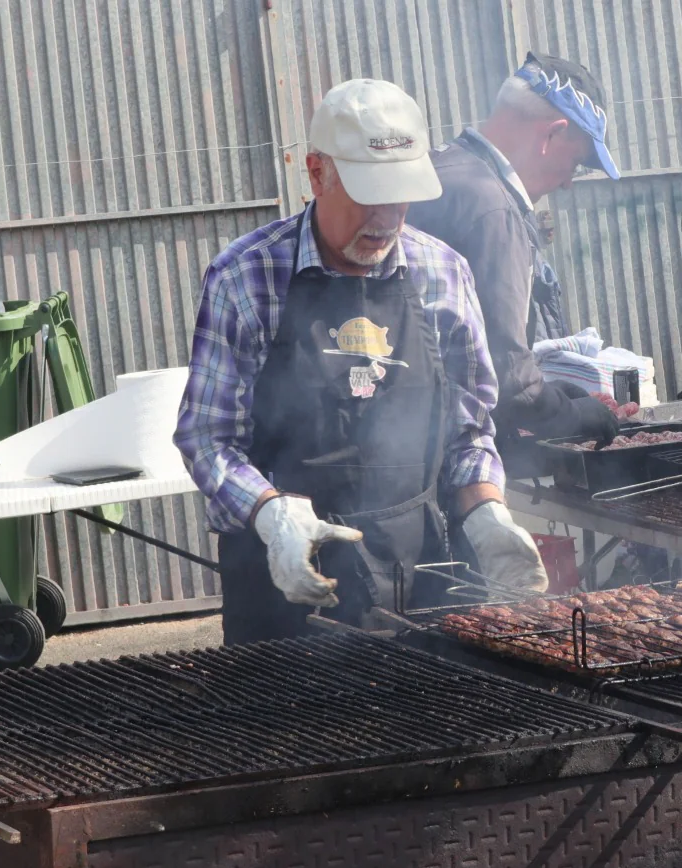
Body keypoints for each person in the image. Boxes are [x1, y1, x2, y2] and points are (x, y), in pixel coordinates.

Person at [175, 79, 547, 645]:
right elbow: (208, 437)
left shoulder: (443, 273)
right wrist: (271, 514)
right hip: (280, 593)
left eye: (399, 196)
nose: (385, 217)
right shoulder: (246, 277)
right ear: (317, 173)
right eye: (369, 193)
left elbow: (466, 432)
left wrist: (487, 511)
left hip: (416, 581)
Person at [409, 52, 623, 454]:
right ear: (552, 135)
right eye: (576, 164)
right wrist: (570, 416)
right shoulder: (491, 207)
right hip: (445, 460)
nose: (567, 185)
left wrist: (546, 391)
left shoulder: (439, 168)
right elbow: (506, 377)